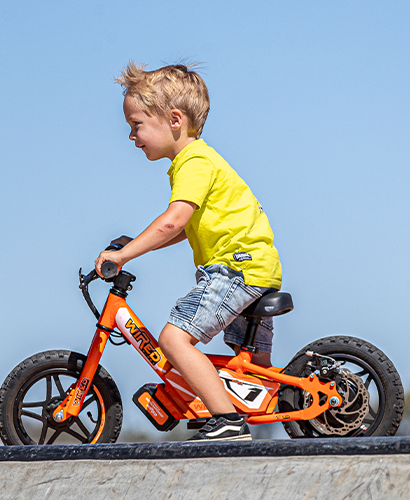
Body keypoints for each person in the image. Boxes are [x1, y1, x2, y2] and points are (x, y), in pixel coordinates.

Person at [95, 62, 282, 441]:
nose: (131, 135)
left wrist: (124, 255)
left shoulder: (193, 162)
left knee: (174, 340)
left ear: (174, 119)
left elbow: (174, 221)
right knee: (255, 369)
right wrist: (133, 246)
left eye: (136, 124)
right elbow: (181, 229)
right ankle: (265, 406)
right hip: (256, 268)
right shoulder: (201, 161)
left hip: (234, 270)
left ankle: (227, 421)